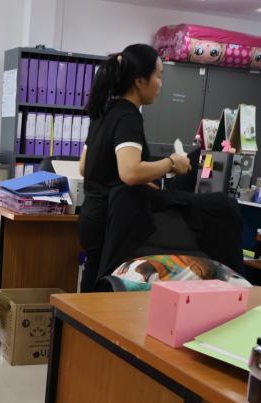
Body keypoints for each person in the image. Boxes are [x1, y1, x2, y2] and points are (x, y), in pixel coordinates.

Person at [77, 44, 192, 292]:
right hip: (110, 220)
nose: (160, 84)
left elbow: (85, 167)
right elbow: (129, 173)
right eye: (158, 76)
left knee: (93, 282)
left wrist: (144, 180)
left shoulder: (104, 112)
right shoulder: (128, 117)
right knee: (104, 289)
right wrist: (172, 162)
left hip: (91, 215)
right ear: (140, 81)